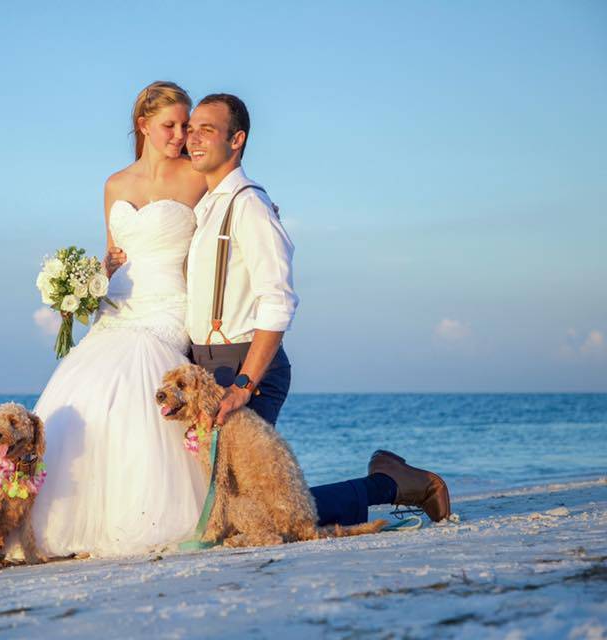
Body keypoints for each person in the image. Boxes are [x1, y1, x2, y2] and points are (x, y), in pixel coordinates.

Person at [182, 93, 450, 524]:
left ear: (237, 140)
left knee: (271, 513)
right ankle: (392, 479)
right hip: (208, 367)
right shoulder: (206, 206)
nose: (193, 138)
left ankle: (399, 484)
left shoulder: (249, 206)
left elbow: (278, 300)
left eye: (206, 130)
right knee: (231, 506)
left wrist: (245, 385)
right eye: (191, 129)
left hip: (245, 366)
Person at [20, 81, 209, 557]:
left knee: (136, 371)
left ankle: (148, 517)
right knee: (86, 384)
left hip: (167, 304)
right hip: (117, 304)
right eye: (170, 125)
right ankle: (67, 523)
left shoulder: (196, 176)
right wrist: (89, 282)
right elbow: (114, 253)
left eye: (185, 125)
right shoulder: (115, 184)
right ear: (143, 125)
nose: (180, 134)